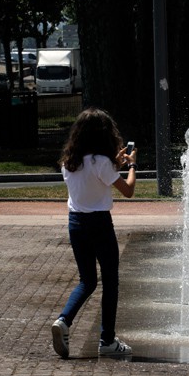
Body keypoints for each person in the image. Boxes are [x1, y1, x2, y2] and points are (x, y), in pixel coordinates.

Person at [51, 108, 137, 358]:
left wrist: (115, 164)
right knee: (110, 281)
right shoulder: (102, 163)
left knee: (87, 280)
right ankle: (107, 341)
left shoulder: (70, 162)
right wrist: (132, 165)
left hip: (76, 223)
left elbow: (95, 178)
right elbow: (128, 190)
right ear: (104, 135)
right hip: (99, 224)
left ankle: (64, 320)